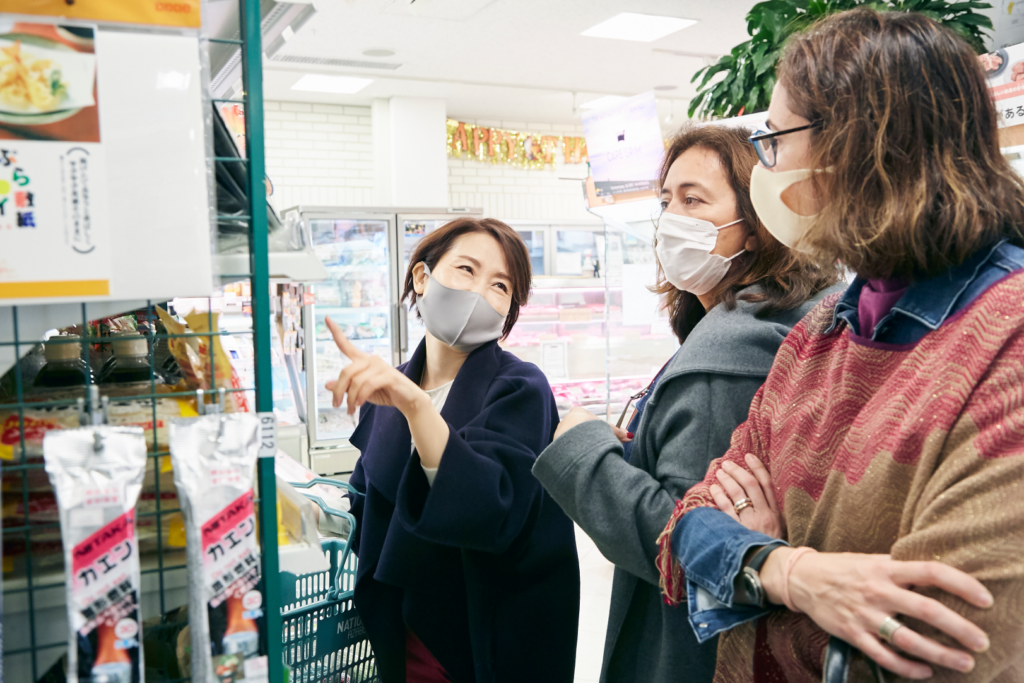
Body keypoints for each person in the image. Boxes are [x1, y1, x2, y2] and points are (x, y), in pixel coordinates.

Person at [657, 9, 1024, 682]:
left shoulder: (1008, 341)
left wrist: (749, 571)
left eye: (776, 139)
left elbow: (941, 649)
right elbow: (685, 529)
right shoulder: (821, 329)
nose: (765, 164)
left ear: (859, 146)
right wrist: (796, 572)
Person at [531, 123, 841, 683]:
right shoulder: (783, 318)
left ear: (755, 224)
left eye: (694, 200)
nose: (671, 218)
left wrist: (583, 450)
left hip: (690, 653)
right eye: (666, 200)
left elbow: (678, 537)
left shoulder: (726, 355)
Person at [330, 218, 579, 682]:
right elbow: (365, 502)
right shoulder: (394, 386)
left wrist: (417, 406)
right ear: (423, 278)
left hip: (485, 639)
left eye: (500, 285)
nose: (480, 292)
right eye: (466, 270)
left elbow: (489, 509)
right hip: (401, 631)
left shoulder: (519, 387)